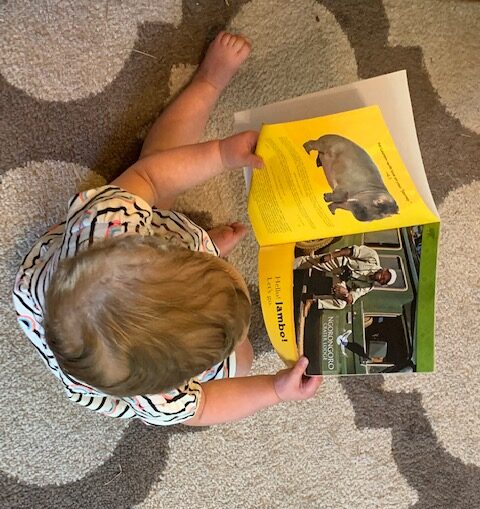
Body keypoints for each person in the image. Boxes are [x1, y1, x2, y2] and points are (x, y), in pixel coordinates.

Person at [13, 32, 322, 427]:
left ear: (155, 246)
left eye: (200, 259)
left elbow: (152, 177)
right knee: (240, 362)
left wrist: (220, 154)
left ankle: (206, 84)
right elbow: (207, 404)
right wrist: (275, 389)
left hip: (77, 260)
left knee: (162, 165)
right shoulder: (157, 398)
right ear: (176, 382)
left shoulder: (111, 220)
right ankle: (205, 256)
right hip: (102, 317)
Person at [294, 245, 397, 315]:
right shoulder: (373, 258)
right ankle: (290, 265)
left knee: (341, 303)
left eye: (384, 280)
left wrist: (346, 294)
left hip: (341, 279)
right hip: (340, 263)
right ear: (385, 269)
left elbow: (352, 298)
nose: (382, 277)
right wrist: (331, 256)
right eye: (385, 275)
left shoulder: (368, 286)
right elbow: (351, 251)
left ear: (382, 283)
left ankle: (312, 300)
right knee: (313, 261)